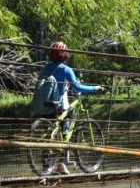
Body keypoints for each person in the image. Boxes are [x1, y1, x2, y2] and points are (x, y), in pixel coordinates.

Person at [40, 41, 104, 174]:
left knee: (49, 133)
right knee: (65, 132)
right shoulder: (66, 70)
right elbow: (77, 87)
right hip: (59, 105)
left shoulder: (45, 68)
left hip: (44, 104)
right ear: (65, 55)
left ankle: (46, 165)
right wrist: (95, 88)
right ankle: (62, 163)